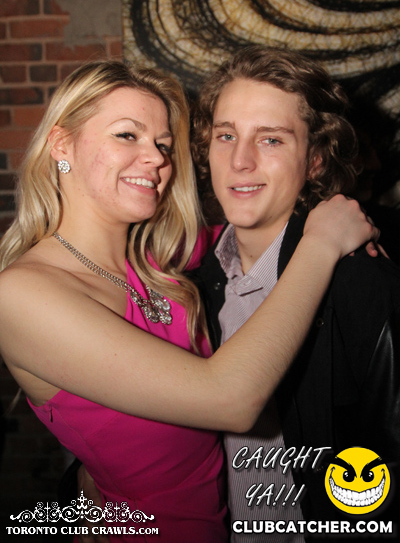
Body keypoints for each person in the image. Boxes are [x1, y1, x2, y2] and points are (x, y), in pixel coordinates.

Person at [0, 60, 376, 543]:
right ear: (61, 145)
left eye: (162, 144)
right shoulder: (22, 294)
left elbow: (255, 226)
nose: (156, 159)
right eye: (127, 135)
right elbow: (230, 399)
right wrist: (323, 243)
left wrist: (349, 217)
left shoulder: (161, 259)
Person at [191, 45, 400, 541]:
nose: (240, 161)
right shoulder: (193, 288)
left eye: (271, 139)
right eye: (226, 135)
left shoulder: (361, 282)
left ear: (315, 161)